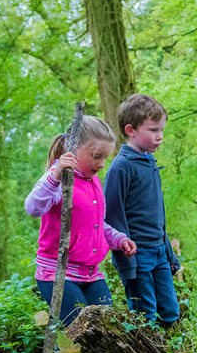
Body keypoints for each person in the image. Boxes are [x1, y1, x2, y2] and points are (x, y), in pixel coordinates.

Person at [25, 117, 136, 326]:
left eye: (105, 157)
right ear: (73, 148)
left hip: (91, 274)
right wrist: (55, 175)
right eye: (96, 156)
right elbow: (33, 207)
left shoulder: (92, 180)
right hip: (57, 274)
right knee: (80, 333)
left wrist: (119, 239)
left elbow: (95, 225)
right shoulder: (59, 179)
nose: (101, 164)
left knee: (109, 328)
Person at [104, 94, 182, 328]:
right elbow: (112, 218)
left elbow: (159, 219)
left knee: (170, 312)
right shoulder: (121, 167)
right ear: (131, 130)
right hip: (137, 255)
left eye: (162, 130)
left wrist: (169, 254)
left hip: (159, 252)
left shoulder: (151, 163)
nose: (160, 136)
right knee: (144, 317)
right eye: (154, 130)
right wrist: (127, 261)